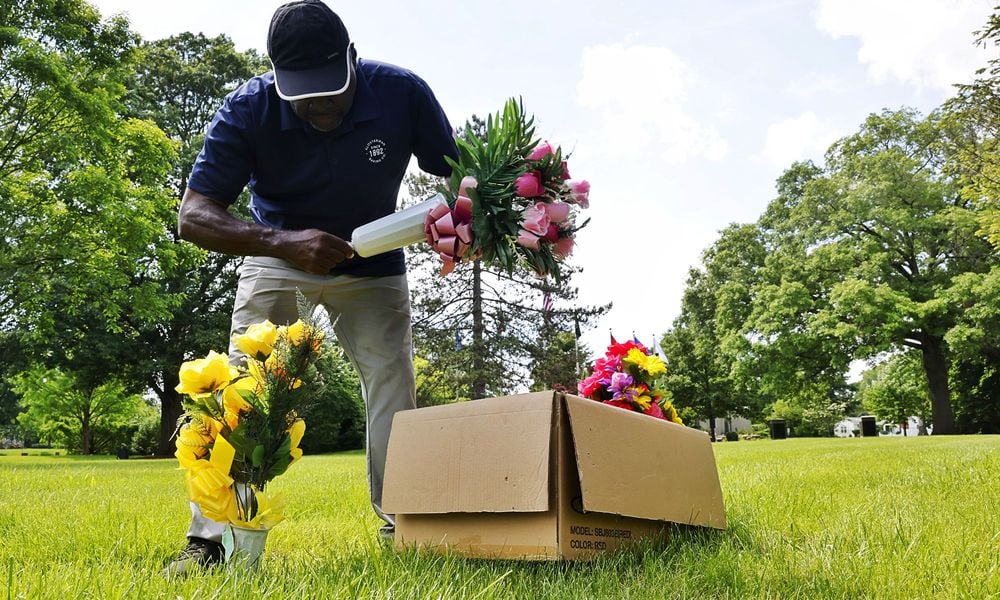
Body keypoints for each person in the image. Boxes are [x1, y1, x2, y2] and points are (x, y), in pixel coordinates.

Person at [165, 0, 458, 575]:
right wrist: (281, 243)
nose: (320, 105)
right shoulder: (247, 109)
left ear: (352, 59)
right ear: (276, 77)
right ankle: (213, 539)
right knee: (243, 386)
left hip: (371, 262)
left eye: (330, 88)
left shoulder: (402, 92)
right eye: (303, 94)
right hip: (279, 254)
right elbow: (193, 215)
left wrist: (468, 214)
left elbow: (457, 169)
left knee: (393, 383)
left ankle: (406, 524)